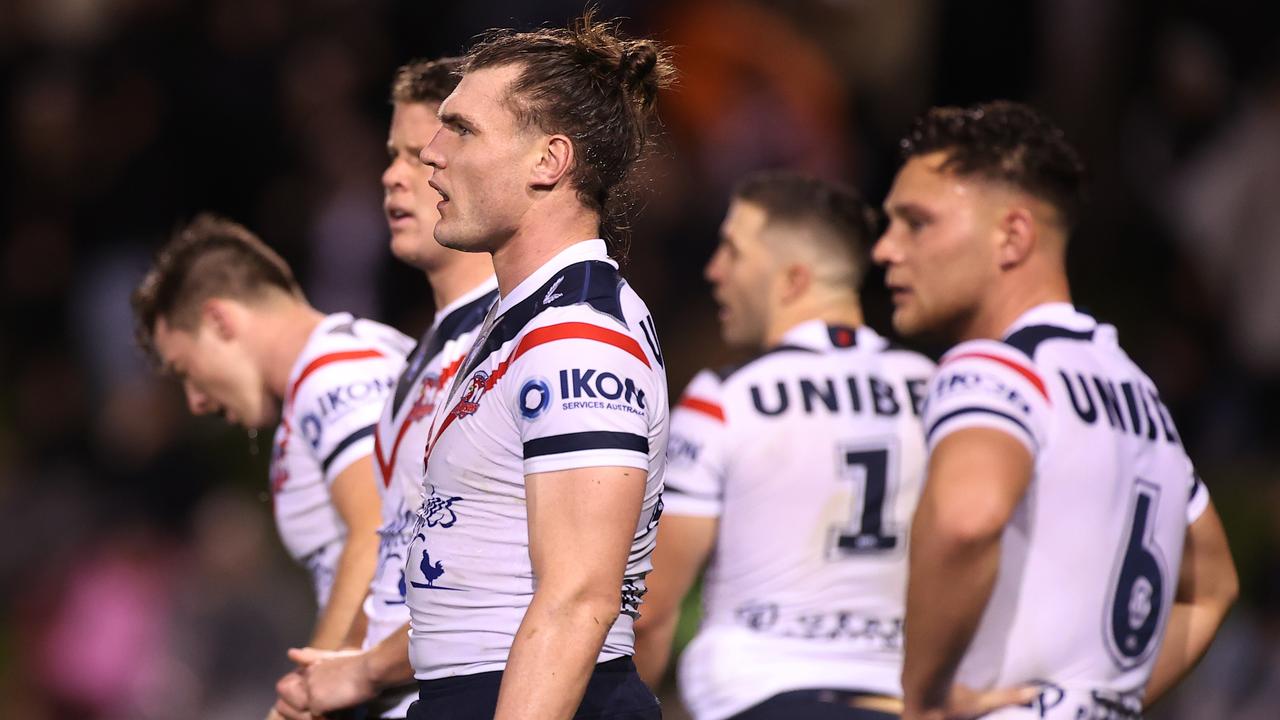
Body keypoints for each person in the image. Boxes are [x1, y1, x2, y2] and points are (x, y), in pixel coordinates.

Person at [873, 101, 1239, 720]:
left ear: (1013, 236)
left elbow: (967, 517)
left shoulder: (992, 369)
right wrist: (1104, 702)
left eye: (917, 222)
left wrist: (924, 699)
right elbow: (1214, 587)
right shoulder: (1143, 400)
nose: (885, 249)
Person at [402, 13, 674, 720]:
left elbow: (579, 598)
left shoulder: (575, 336)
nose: (431, 151)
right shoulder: (525, 319)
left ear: (548, 162)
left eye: (460, 129)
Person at [630, 171, 935, 720]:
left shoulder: (726, 397)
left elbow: (651, 608)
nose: (713, 271)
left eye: (733, 251)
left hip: (756, 696)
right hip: (898, 701)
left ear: (792, 279)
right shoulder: (937, 390)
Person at [270, 58, 499, 720]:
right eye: (391, 153)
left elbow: (506, 590)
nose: (393, 175)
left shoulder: (509, 345)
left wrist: (353, 675)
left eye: (419, 153)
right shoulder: (421, 356)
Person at [130, 216, 406, 668]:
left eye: (185, 370)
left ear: (219, 320)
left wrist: (313, 695)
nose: (195, 401)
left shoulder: (334, 375)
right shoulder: (365, 351)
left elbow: (381, 529)